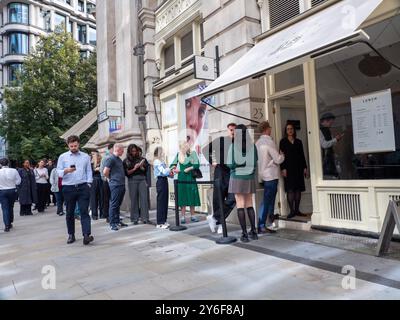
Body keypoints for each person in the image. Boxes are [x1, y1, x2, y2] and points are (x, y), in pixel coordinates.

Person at [57, 135, 94, 245]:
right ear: (68, 145)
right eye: (71, 146)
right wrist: (66, 171)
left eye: (75, 145)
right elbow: (57, 172)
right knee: (69, 212)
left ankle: (86, 235)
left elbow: (88, 171)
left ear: (79, 144)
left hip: (83, 187)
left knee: (84, 211)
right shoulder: (63, 157)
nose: (73, 147)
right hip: (68, 187)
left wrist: (89, 183)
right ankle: (71, 234)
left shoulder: (85, 156)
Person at [203, 123, 237, 234]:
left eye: (235, 130)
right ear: (228, 130)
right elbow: (205, 149)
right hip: (220, 173)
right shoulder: (221, 140)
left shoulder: (238, 143)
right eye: (231, 130)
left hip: (232, 174)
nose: (233, 132)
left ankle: (215, 218)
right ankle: (221, 224)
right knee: (219, 199)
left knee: (232, 199)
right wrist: (212, 161)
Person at [227, 124, 258, 242]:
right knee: (249, 204)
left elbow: (230, 164)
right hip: (249, 177)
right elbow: (255, 162)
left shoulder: (234, 146)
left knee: (240, 204)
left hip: (237, 177)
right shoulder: (253, 146)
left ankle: (244, 234)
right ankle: (254, 232)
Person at [256, 121, 284, 233]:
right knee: (267, 200)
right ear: (267, 129)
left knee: (269, 199)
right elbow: (277, 159)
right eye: (270, 127)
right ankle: (262, 225)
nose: (271, 129)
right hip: (271, 174)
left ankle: (270, 221)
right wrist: (282, 155)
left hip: (262, 174)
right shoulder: (269, 142)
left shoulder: (257, 142)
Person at [279, 123, 308, 219]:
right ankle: (291, 211)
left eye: (291, 129)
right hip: (288, 169)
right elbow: (281, 156)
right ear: (286, 131)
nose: (290, 130)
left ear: (294, 130)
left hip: (298, 168)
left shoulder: (299, 142)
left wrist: (305, 167)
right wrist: (283, 168)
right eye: (288, 129)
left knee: (298, 189)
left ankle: (297, 210)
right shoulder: (283, 141)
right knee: (290, 189)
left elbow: (302, 155)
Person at [170, 141, 201, 224]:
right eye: (183, 147)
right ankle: (183, 217)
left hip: (190, 177)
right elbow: (172, 165)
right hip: (182, 177)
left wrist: (189, 168)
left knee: (191, 196)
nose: (185, 148)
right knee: (182, 197)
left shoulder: (193, 153)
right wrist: (174, 169)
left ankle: (193, 216)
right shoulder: (178, 154)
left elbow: (197, 165)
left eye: (186, 146)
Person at [123, 144, 150, 225]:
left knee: (144, 199)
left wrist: (141, 167)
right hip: (132, 180)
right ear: (129, 152)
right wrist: (134, 168)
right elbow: (127, 173)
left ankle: (145, 218)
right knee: (134, 199)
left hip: (142, 179)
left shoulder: (142, 159)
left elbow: (146, 171)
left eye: (135, 151)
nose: (134, 152)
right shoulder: (126, 161)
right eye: (133, 151)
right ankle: (135, 218)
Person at [103, 144, 127, 231]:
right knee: (114, 204)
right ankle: (112, 223)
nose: (123, 152)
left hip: (121, 184)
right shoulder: (111, 158)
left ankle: (117, 221)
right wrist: (111, 179)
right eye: (122, 150)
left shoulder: (118, 159)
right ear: (118, 149)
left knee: (117, 204)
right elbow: (105, 172)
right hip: (115, 185)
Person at [153, 147, 174, 229]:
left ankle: (164, 220)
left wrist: (172, 173)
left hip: (164, 180)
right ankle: (160, 222)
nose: (163, 153)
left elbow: (166, 173)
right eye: (162, 151)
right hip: (160, 181)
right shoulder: (156, 161)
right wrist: (170, 168)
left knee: (165, 202)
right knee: (161, 202)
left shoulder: (162, 161)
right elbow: (164, 171)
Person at [320, 112, 344, 179]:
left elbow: (331, 144)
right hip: (325, 161)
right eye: (330, 123)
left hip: (330, 159)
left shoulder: (327, 130)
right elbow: (324, 145)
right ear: (325, 121)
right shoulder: (320, 131)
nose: (331, 124)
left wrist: (336, 140)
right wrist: (335, 139)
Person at [0, 158, 21, 232]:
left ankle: (6, 225)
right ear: (8, 163)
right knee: (11, 206)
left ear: (0, 164)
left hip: (2, 191)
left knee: (5, 208)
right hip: (12, 190)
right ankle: (10, 221)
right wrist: (13, 183)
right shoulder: (14, 170)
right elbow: (18, 181)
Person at [100, 143, 114, 222]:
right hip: (108, 180)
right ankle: (108, 216)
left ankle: (109, 215)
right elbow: (102, 170)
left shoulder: (108, 157)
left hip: (109, 180)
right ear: (111, 149)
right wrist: (106, 178)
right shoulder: (107, 157)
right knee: (108, 198)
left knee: (109, 198)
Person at [90, 151, 103, 220]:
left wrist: (100, 168)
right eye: (93, 155)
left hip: (101, 180)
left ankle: (102, 213)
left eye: (96, 155)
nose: (95, 157)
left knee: (101, 197)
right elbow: (90, 173)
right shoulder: (91, 164)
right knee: (94, 198)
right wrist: (95, 168)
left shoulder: (102, 163)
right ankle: (94, 215)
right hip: (93, 181)